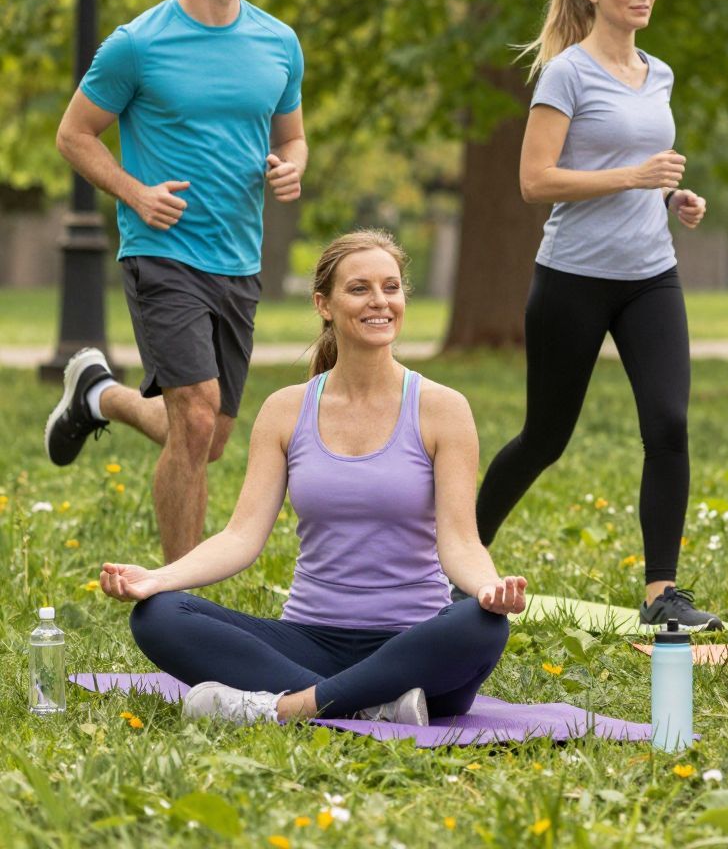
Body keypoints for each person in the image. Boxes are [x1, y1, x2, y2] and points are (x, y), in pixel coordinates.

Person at [99, 231, 525, 726]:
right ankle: (370, 703)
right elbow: (241, 536)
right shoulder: (286, 410)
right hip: (309, 642)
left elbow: (461, 542)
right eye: (360, 289)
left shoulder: (443, 408)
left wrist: (489, 589)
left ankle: (288, 708)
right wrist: (157, 580)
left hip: (413, 645)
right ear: (324, 304)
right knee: (158, 616)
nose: (380, 302)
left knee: (481, 625)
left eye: (391, 287)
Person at [47, 0, 309, 563]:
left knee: (208, 437)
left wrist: (291, 166)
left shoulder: (278, 42)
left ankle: (98, 396)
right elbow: (74, 135)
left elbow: (293, 138)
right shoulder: (138, 44)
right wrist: (134, 193)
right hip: (161, 249)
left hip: (238, 259)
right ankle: (178, 609)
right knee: (193, 416)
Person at [471, 0, 718, 630]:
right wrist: (635, 178)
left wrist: (672, 197)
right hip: (573, 278)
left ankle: (660, 593)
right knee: (545, 437)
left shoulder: (660, 73)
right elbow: (534, 181)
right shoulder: (567, 74)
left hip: (650, 276)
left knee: (668, 425)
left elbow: (649, 167)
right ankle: (455, 557)